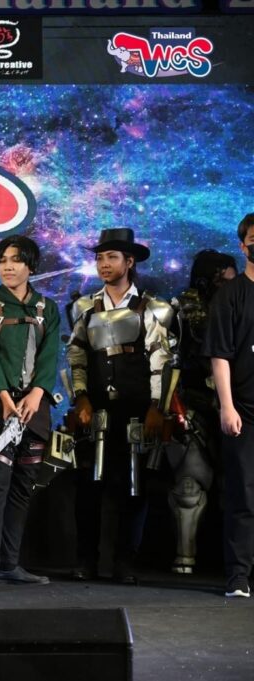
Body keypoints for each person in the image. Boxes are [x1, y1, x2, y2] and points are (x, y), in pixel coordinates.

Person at [67, 227, 174, 584]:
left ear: (129, 262)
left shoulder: (153, 307)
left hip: (137, 408)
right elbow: (76, 355)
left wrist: (156, 406)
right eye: (99, 257)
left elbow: (161, 359)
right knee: (88, 487)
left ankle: (126, 562)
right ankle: (85, 560)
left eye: (111, 257)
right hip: (95, 408)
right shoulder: (85, 307)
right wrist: (80, 396)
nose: (104, 264)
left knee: (134, 486)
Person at [0, 235, 61, 593]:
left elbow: (50, 355)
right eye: (2, 260)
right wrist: (4, 396)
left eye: (16, 260)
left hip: (35, 409)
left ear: (31, 266)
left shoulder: (47, 308)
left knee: (23, 487)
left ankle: (10, 564)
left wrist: (37, 393)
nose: (8, 267)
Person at [169, 249, 237, 575]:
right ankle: (186, 556)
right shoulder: (181, 311)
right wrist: (170, 403)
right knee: (189, 490)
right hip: (195, 404)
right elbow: (168, 359)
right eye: (223, 280)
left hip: (239, 403)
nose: (229, 286)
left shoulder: (241, 305)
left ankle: (238, 562)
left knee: (241, 486)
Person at [205, 213, 254, 598]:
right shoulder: (231, 295)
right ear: (243, 245)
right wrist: (227, 406)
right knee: (244, 494)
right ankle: (238, 575)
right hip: (245, 409)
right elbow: (220, 355)